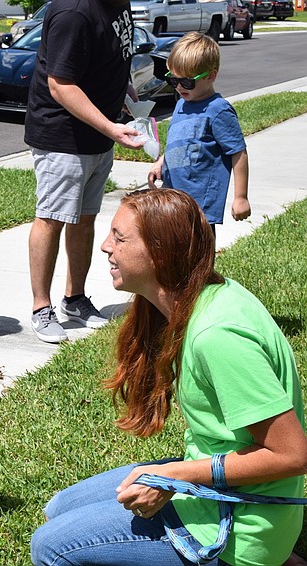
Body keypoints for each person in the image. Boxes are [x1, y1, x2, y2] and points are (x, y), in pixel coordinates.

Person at [30, 188, 307, 566]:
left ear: (160, 253)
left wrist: (177, 475)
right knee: (59, 507)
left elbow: (292, 455)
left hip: (240, 529)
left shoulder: (218, 337)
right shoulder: (197, 294)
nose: (105, 247)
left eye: (120, 238)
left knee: (51, 546)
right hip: (219, 480)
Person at [24, 0, 144, 344]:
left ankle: (74, 298)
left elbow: (113, 54)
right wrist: (111, 128)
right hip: (63, 137)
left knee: (85, 217)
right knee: (52, 217)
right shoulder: (74, 14)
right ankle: (40, 307)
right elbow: (60, 84)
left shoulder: (117, 5)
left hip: (97, 134)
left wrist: (124, 89)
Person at [147, 32, 251, 233]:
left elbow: (238, 153)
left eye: (186, 82)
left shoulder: (218, 110)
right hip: (174, 199)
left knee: (198, 260)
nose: (178, 87)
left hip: (200, 205)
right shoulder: (181, 105)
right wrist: (161, 163)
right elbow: (181, 143)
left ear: (211, 75)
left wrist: (241, 197)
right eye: (173, 80)